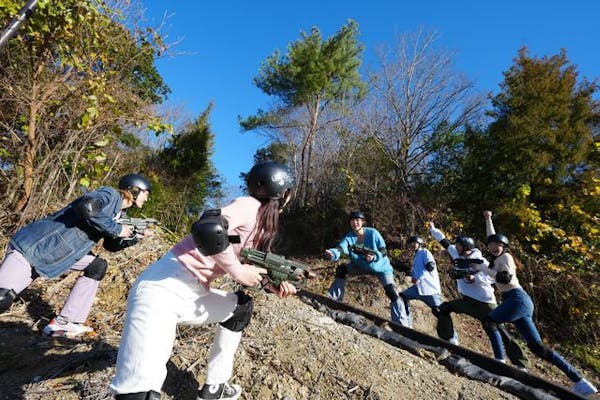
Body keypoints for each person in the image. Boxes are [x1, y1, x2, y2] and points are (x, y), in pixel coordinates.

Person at [110, 161, 298, 400]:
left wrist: (275, 285)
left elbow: (247, 261)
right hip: (164, 287)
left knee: (240, 309)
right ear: (284, 194)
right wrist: (239, 272)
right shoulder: (249, 205)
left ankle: (215, 387)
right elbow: (209, 229)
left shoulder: (261, 225)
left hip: (194, 292)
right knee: (137, 394)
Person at [0, 173, 153, 338]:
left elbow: (111, 246)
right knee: (3, 298)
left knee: (97, 266)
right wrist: (117, 229)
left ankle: (65, 322)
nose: (147, 199)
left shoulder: (120, 216)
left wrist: (135, 237)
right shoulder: (109, 194)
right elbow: (87, 207)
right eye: (146, 194)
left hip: (60, 255)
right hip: (35, 247)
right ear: (135, 189)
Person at [472, 211, 597, 397]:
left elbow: (505, 279)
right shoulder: (497, 257)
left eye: (497, 245)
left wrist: (482, 268)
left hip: (516, 298)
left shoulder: (505, 258)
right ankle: (581, 382)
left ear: (504, 246)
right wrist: (488, 219)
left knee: (489, 321)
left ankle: (499, 360)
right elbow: (492, 236)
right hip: (518, 301)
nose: (493, 247)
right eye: (491, 245)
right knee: (538, 348)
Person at [429, 221, 528, 369]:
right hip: (467, 300)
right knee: (442, 309)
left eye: (459, 246)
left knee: (499, 330)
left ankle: (520, 362)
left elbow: (492, 278)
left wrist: (474, 278)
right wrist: (433, 229)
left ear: (466, 248)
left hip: (484, 301)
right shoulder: (456, 252)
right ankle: (450, 341)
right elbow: (444, 241)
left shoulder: (481, 260)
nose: (456, 247)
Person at [324, 211, 405, 324]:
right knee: (341, 269)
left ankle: (401, 322)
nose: (355, 223)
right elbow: (341, 248)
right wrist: (333, 253)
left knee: (391, 292)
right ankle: (333, 301)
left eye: (358, 220)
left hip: (381, 267)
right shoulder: (349, 237)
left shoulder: (373, 233)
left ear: (362, 222)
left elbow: (383, 250)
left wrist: (374, 256)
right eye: (352, 220)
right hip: (360, 266)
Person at [395, 235, 450, 331]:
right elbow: (415, 270)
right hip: (418, 288)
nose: (412, 245)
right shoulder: (416, 256)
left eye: (414, 243)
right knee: (402, 297)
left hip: (430, 290)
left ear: (420, 244)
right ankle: (407, 325)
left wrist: (419, 276)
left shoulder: (425, 252)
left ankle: (452, 339)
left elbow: (430, 265)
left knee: (439, 312)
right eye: (411, 243)